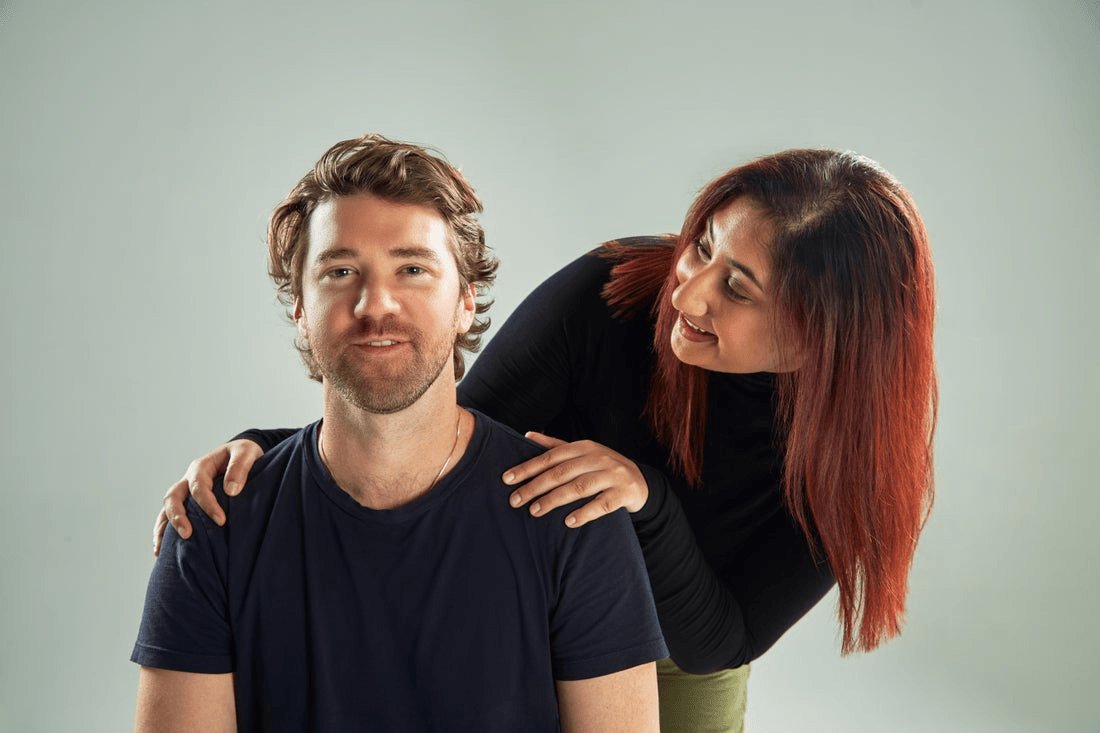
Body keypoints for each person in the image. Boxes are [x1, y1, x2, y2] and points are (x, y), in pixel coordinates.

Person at [158, 147, 938, 733]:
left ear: (826, 334)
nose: (687, 290)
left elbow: (720, 640)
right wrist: (270, 458)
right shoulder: (611, 294)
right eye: (703, 245)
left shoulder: (858, 469)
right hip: (524, 591)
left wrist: (645, 498)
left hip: (683, 650)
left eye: (737, 287)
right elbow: (437, 426)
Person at [132, 134, 668, 733]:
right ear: (300, 308)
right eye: (339, 271)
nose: (375, 303)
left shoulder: (571, 522)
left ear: (466, 300)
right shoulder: (213, 524)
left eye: (412, 268)